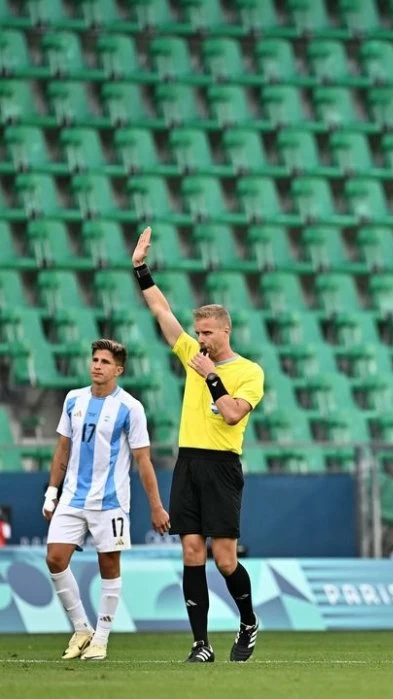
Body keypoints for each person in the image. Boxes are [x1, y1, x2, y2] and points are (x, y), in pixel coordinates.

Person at [131, 228, 265, 663]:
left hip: (222, 465)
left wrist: (209, 375)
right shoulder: (191, 352)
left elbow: (231, 413)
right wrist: (140, 269)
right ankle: (200, 644)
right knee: (191, 551)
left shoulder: (249, 372)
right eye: (198, 332)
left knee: (224, 559)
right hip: (188, 461)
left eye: (208, 332)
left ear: (226, 330)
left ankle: (247, 622)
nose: (200, 339)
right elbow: (161, 311)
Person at [43, 340, 170, 661]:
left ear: (118, 369)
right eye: (95, 359)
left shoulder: (130, 408)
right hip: (72, 496)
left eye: (104, 362)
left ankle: (100, 639)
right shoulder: (74, 399)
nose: (97, 365)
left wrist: (156, 505)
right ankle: (81, 628)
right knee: (55, 559)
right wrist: (51, 491)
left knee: (109, 565)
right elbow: (62, 449)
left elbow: (143, 460)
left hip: (110, 500)